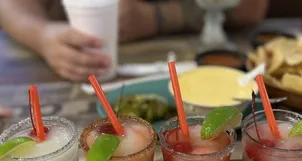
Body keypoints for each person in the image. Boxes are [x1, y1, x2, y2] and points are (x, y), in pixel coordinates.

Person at [0, 0, 268, 82]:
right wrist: (43, 35)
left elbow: (252, 8)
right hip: (68, 72)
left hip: (200, 63)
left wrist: (158, 17)